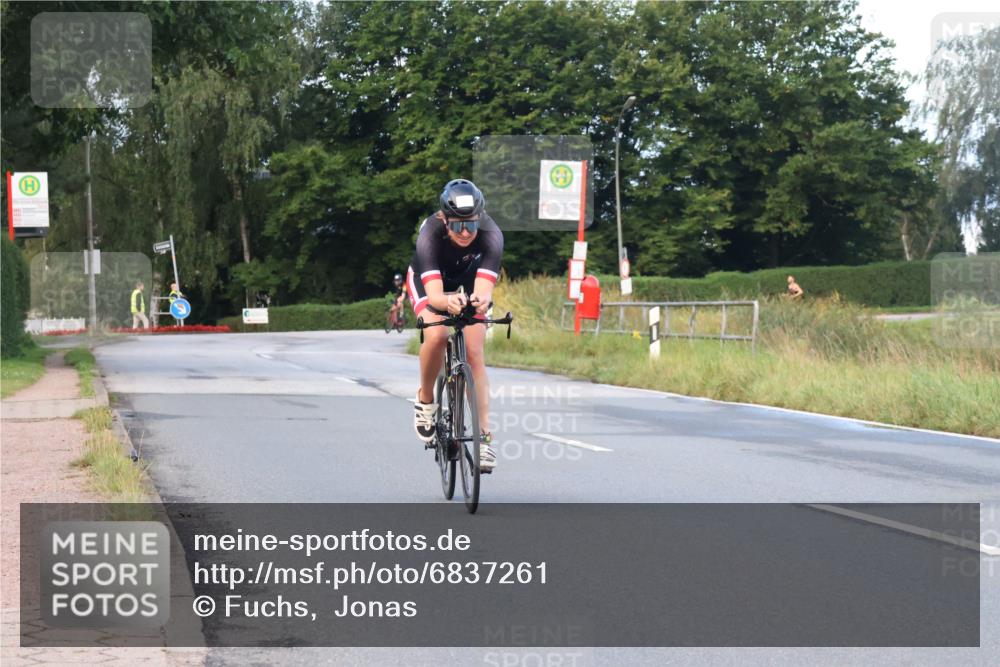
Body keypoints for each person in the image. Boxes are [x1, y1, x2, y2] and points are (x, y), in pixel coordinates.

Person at [409, 179, 503, 472]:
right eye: (457, 225)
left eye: (471, 226)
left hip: (467, 285)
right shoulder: (429, 234)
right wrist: (446, 303)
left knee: (474, 353)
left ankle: (484, 439)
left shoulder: (492, 235)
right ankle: (425, 401)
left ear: (480, 220)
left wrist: (478, 301)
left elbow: (484, 294)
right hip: (430, 285)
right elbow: (436, 296)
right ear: (444, 219)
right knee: (436, 334)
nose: (465, 232)